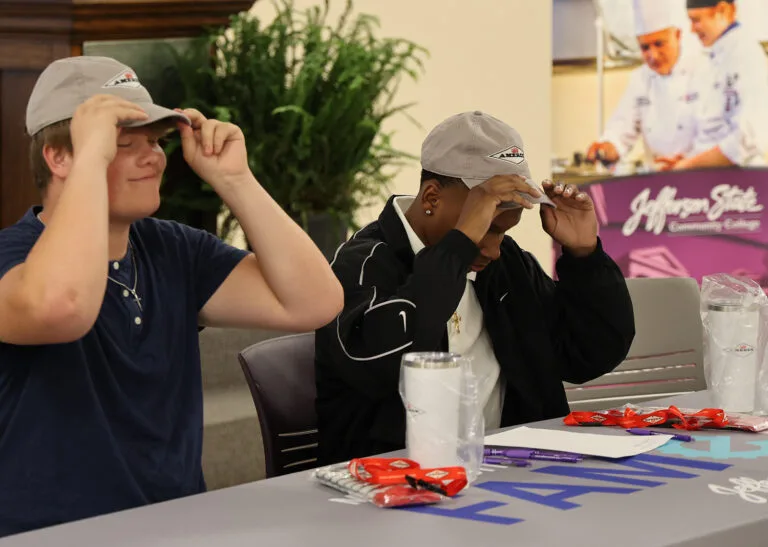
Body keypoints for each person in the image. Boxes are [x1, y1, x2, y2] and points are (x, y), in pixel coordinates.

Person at [0, 56, 343, 536]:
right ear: (60, 158)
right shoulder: (11, 260)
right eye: (123, 143)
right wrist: (91, 159)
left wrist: (234, 179)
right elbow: (63, 308)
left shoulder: (171, 247)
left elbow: (314, 302)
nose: (156, 157)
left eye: (157, 142)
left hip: (176, 529)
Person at [315, 111, 636, 465]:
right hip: (393, 488)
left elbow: (587, 355)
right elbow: (378, 366)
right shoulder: (360, 265)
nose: (495, 248)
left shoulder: (504, 264)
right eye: (486, 224)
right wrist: (459, 245)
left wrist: (585, 257)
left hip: (514, 475)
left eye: (504, 230)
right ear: (432, 198)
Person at [587, 0, 702, 171]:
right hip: (659, 178)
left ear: (677, 35)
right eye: (645, 47)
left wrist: (691, 161)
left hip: (702, 174)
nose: (653, 55)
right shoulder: (641, 78)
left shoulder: (703, 70)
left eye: (659, 44)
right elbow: (621, 127)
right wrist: (607, 147)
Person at [660, 0, 768, 169]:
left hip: (742, 180)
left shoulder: (746, 55)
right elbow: (713, 131)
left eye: (696, 20)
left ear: (723, 11)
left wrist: (689, 165)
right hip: (712, 175)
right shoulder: (710, 58)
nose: (692, 30)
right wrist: (690, 157)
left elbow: (749, 137)